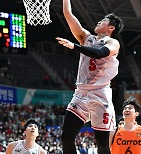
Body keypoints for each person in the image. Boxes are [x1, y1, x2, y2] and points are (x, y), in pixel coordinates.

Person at [56, 0, 124, 154]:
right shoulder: (87, 37)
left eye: (103, 20)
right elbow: (68, 14)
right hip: (80, 94)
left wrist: (75, 46)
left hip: (100, 95)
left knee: (103, 146)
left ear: (111, 27)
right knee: (66, 138)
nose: (98, 21)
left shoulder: (113, 43)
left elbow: (99, 54)